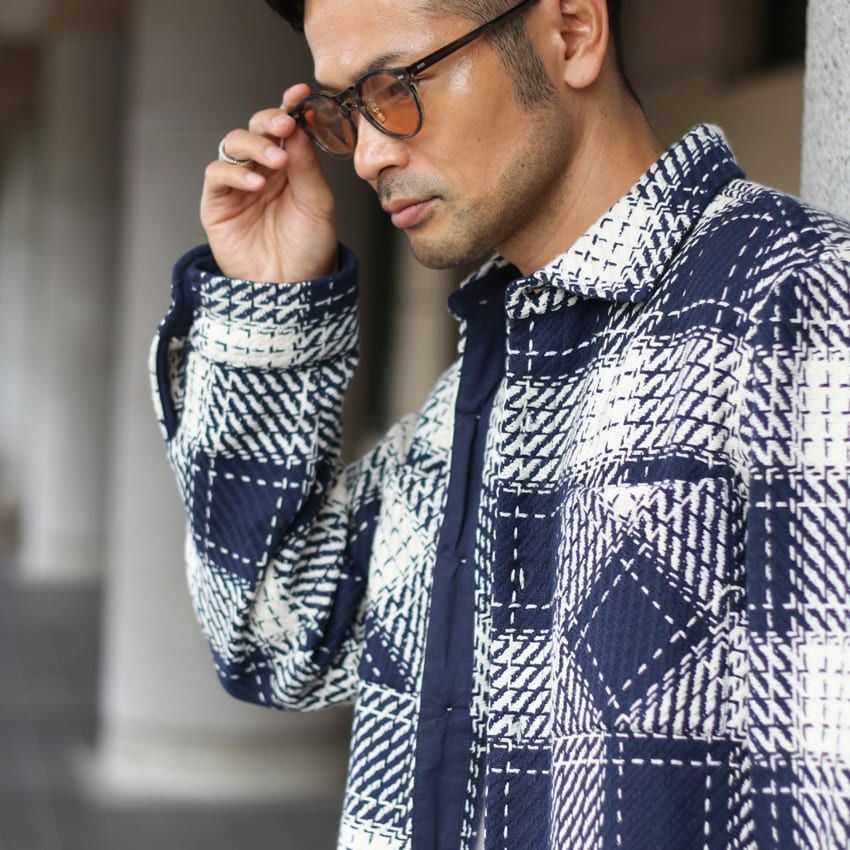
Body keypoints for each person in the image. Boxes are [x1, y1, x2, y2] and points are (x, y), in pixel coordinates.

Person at [149, 0, 850, 846]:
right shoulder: (481, 386)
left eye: (396, 86)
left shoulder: (791, 303)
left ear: (572, 32)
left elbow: (821, 796)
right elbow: (275, 638)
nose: (367, 155)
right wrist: (271, 307)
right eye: (343, 112)